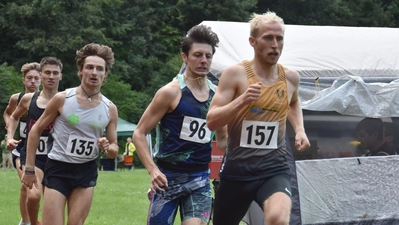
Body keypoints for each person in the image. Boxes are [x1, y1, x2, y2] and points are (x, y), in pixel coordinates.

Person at [206, 11, 311, 225]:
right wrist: (241, 101)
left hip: (274, 168)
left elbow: (293, 102)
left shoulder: (290, 77)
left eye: (279, 38)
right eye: (268, 38)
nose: (275, 44)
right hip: (237, 172)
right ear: (253, 42)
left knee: (277, 219)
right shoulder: (235, 74)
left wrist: (299, 129)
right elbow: (212, 121)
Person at [133, 25, 228, 225]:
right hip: (166, 179)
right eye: (198, 55)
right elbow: (139, 133)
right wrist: (153, 170)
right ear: (184, 57)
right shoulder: (170, 92)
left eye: (208, 56)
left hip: (199, 179)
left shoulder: (218, 95)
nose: (203, 60)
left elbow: (224, 139)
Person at [21, 43, 118, 225]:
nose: (94, 73)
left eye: (100, 69)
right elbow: (35, 130)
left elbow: (114, 149)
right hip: (58, 168)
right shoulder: (63, 99)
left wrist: (108, 147)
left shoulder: (110, 109)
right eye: (89, 67)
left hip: (86, 170)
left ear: (105, 75)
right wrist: (29, 168)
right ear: (80, 70)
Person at [7, 57, 63, 225]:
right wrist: (9, 136)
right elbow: (12, 117)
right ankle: (30, 222)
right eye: (47, 73)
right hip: (31, 154)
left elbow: (75, 122)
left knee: (50, 199)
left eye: (55, 73)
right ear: (42, 75)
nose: (51, 76)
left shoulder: (66, 101)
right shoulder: (27, 99)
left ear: (61, 76)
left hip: (55, 156)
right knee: (33, 194)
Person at [3, 62, 41, 225]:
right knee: (27, 187)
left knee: (37, 190)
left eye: (36, 78)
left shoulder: (50, 99)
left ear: (41, 80)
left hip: (44, 148)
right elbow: (8, 114)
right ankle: (26, 222)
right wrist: (9, 134)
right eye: (29, 78)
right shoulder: (17, 98)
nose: (33, 81)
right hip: (22, 146)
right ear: (23, 80)